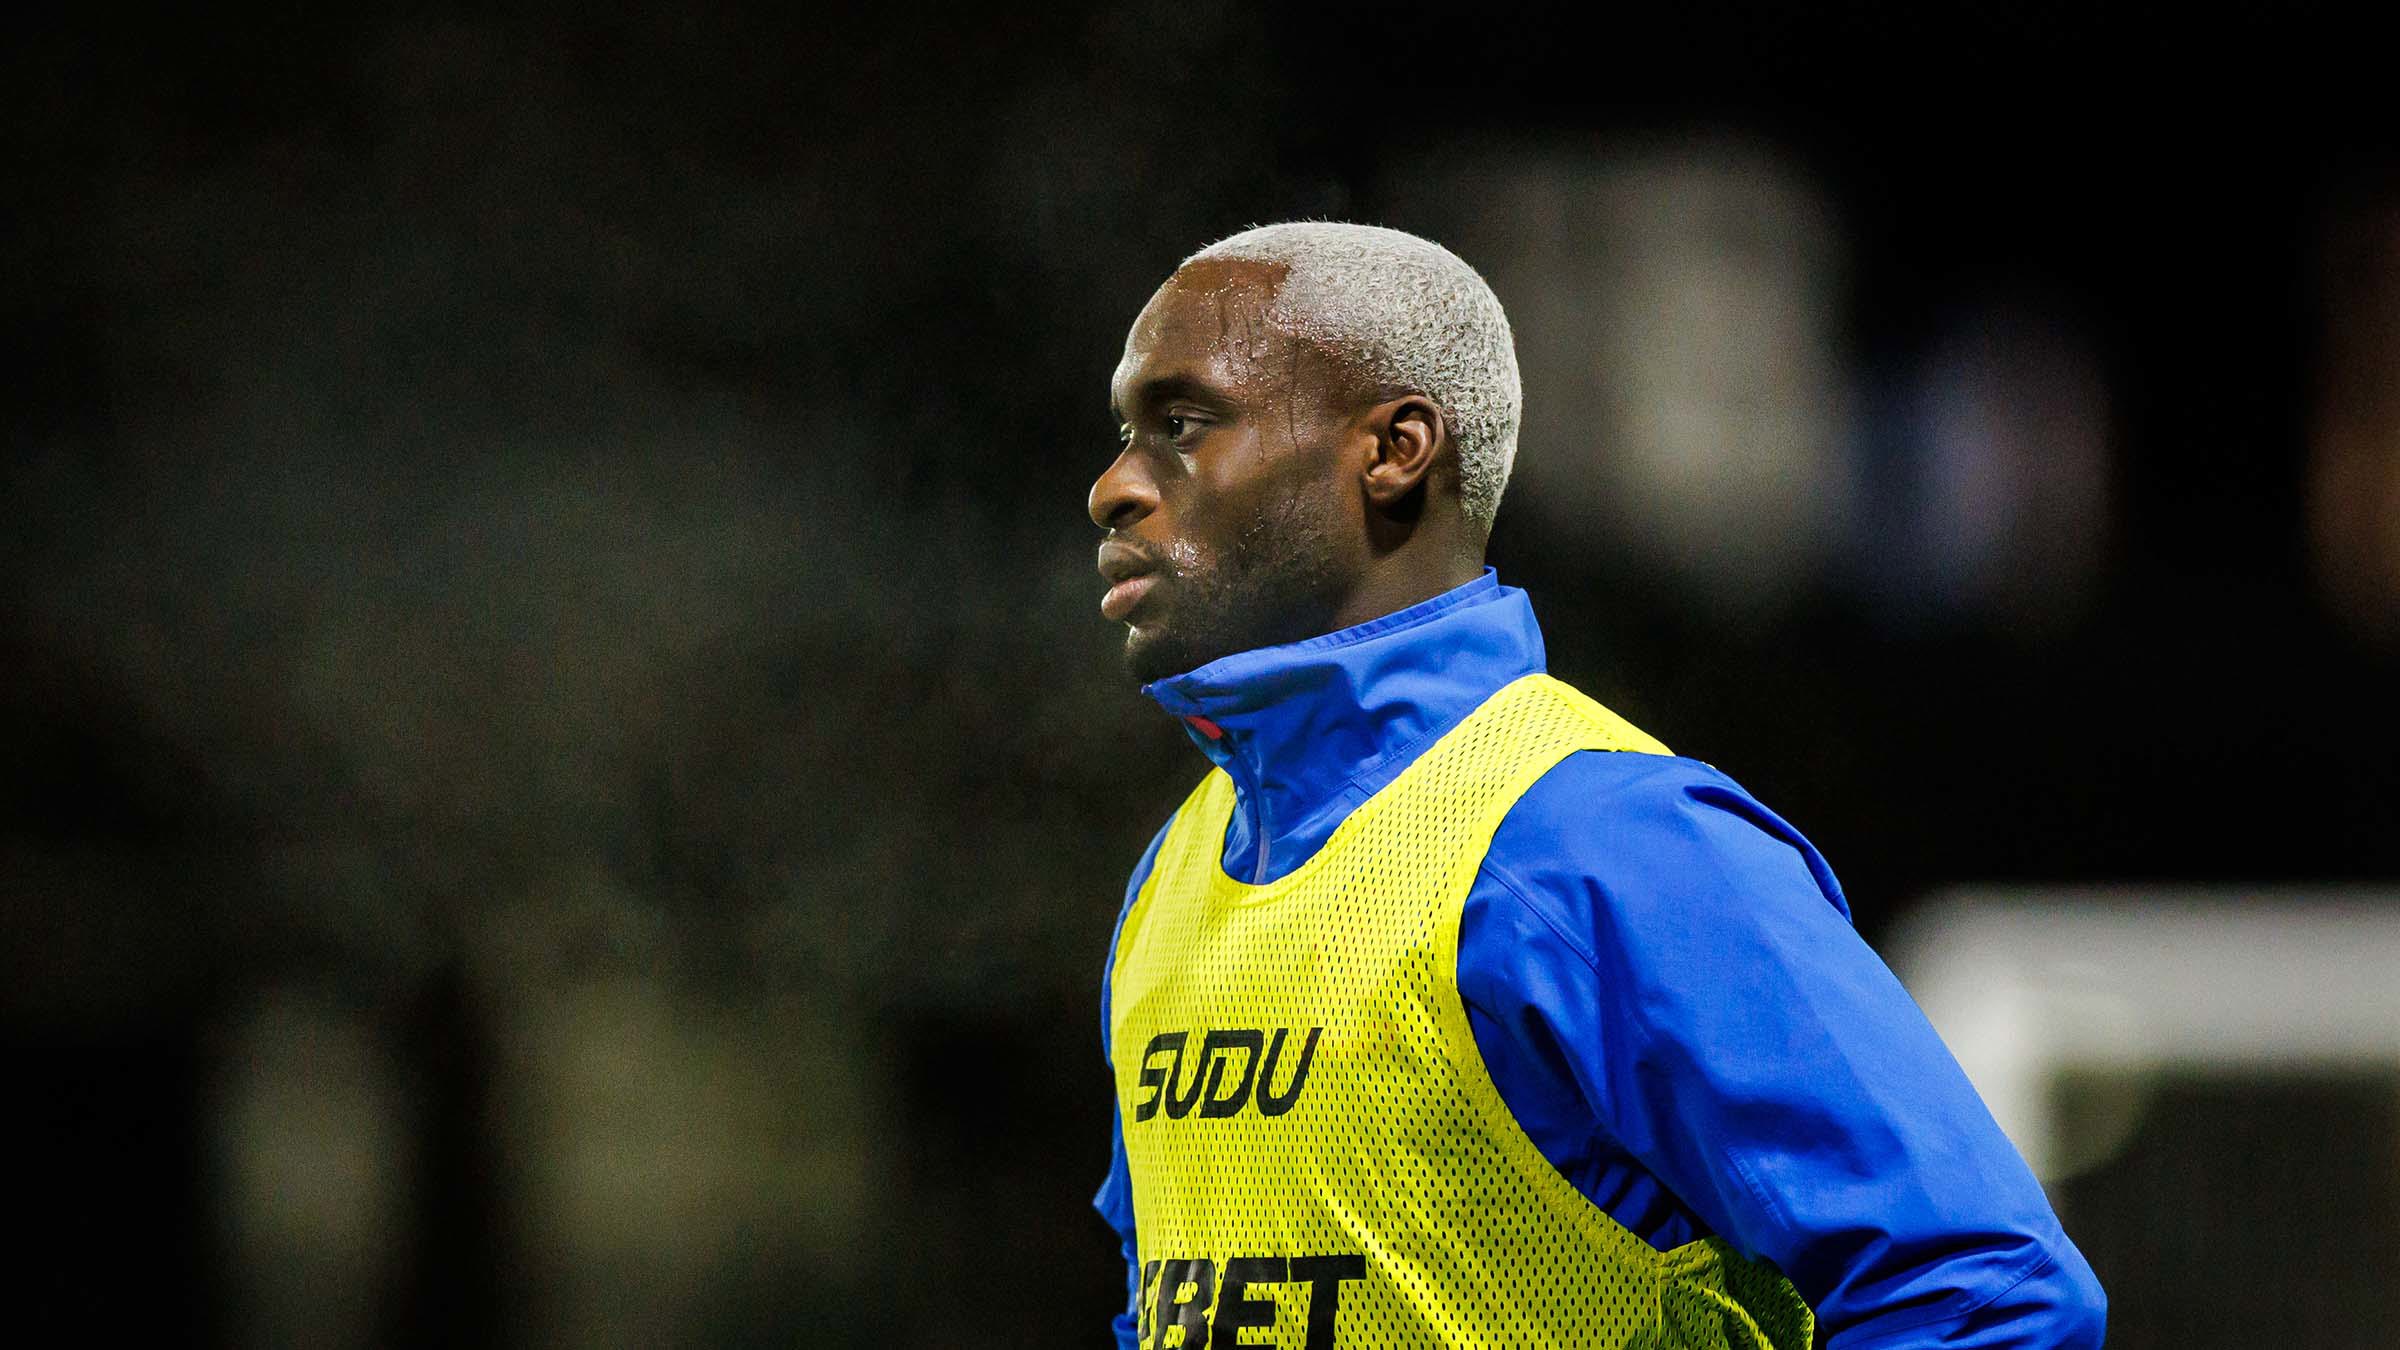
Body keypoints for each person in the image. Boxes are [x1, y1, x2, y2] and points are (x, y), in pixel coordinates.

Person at [1085, 221, 2105, 1349]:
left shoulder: (1599, 844)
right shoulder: (1174, 878)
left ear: (1394, 450)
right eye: (1127, 436)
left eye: (1182, 426)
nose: (1113, 489)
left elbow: (1984, 1292)